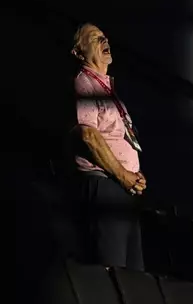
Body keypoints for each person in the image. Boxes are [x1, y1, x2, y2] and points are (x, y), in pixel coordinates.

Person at [67, 23, 147, 271]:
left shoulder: (106, 88)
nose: (104, 41)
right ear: (79, 53)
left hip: (121, 186)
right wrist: (124, 175)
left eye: (104, 37)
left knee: (135, 275)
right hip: (105, 183)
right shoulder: (84, 84)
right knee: (114, 272)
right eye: (94, 38)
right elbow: (88, 136)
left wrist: (134, 175)